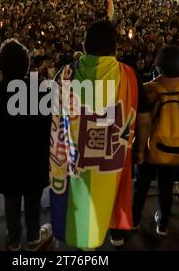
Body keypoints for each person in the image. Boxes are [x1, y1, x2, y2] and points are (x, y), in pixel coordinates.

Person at [49, 20, 151, 250]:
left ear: (84, 45)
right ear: (115, 47)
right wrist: (141, 149)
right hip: (112, 160)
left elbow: (54, 117)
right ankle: (112, 235)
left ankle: (83, 241)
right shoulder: (130, 76)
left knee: (79, 202)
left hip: (75, 160)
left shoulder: (65, 73)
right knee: (109, 198)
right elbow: (144, 119)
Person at [0, 39, 52, 251]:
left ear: (0, 66)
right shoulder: (43, 93)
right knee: (33, 201)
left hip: (5, 161)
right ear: (26, 64)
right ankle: (33, 238)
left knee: (11, 201)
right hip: (34, 159)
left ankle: (13, 240)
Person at [134, 45, 179, 236]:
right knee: (166, 186)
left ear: (159, 65)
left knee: (142, 185)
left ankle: (135, 220)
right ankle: (163, 224)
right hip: (176, 146)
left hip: (149, 145)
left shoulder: (149, 88)